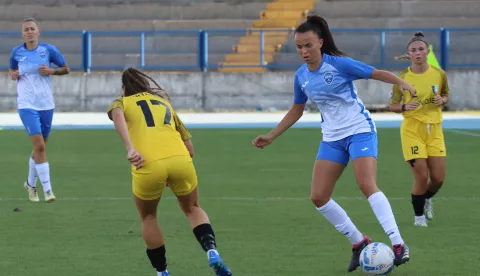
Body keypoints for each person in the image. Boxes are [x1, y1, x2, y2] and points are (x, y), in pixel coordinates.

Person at [252, 15, 414, 272]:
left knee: (366, 184)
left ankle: (397, 243)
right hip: (332, 137)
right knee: (319, 197)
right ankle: (358, 242)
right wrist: (272, 135)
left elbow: (376, 73)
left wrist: (403, 83)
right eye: (299, 47)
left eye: (308, 45)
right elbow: (297, 109)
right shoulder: (301, 76)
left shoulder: (339, 64)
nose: (303, 51)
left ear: (320, 42)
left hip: (359, 131)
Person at [107, 68, 232, 276]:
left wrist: (130, 148)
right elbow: (190, 149)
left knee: (148, 217)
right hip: (180, 159)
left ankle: (162, 271)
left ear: (124, 89)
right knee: (193, 208)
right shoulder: (165, 104)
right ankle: (212, 251)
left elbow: (117, 114)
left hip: (147, 164)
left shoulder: (122, 102)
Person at [390, 32, 449, 227]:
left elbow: (446, 95)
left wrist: (442, 100)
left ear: (427, 51)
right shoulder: (403, 78)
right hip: (412, 130)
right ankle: (419, 219)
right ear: (409, 54)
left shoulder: (439, 74)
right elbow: (392, 105)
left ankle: (427, 198)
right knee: (422, 176)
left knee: (438, 179)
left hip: (435, 129)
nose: (418, 53)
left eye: (421, 49)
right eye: (413, 50)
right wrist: (405, 107)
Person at [9, 18, 70, 203]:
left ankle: (30, 184)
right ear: (22, 34)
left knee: (39, 147)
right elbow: (12, 70)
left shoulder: (48, 50)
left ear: (38, 32)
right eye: (26, 29)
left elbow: (66, 69)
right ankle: (48, 190)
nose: (29, 32)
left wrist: (51, 72)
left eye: (32, 29)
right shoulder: (16, 52)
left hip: (46, 104)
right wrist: (13, 75)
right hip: (27, 105)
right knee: (40, 146)